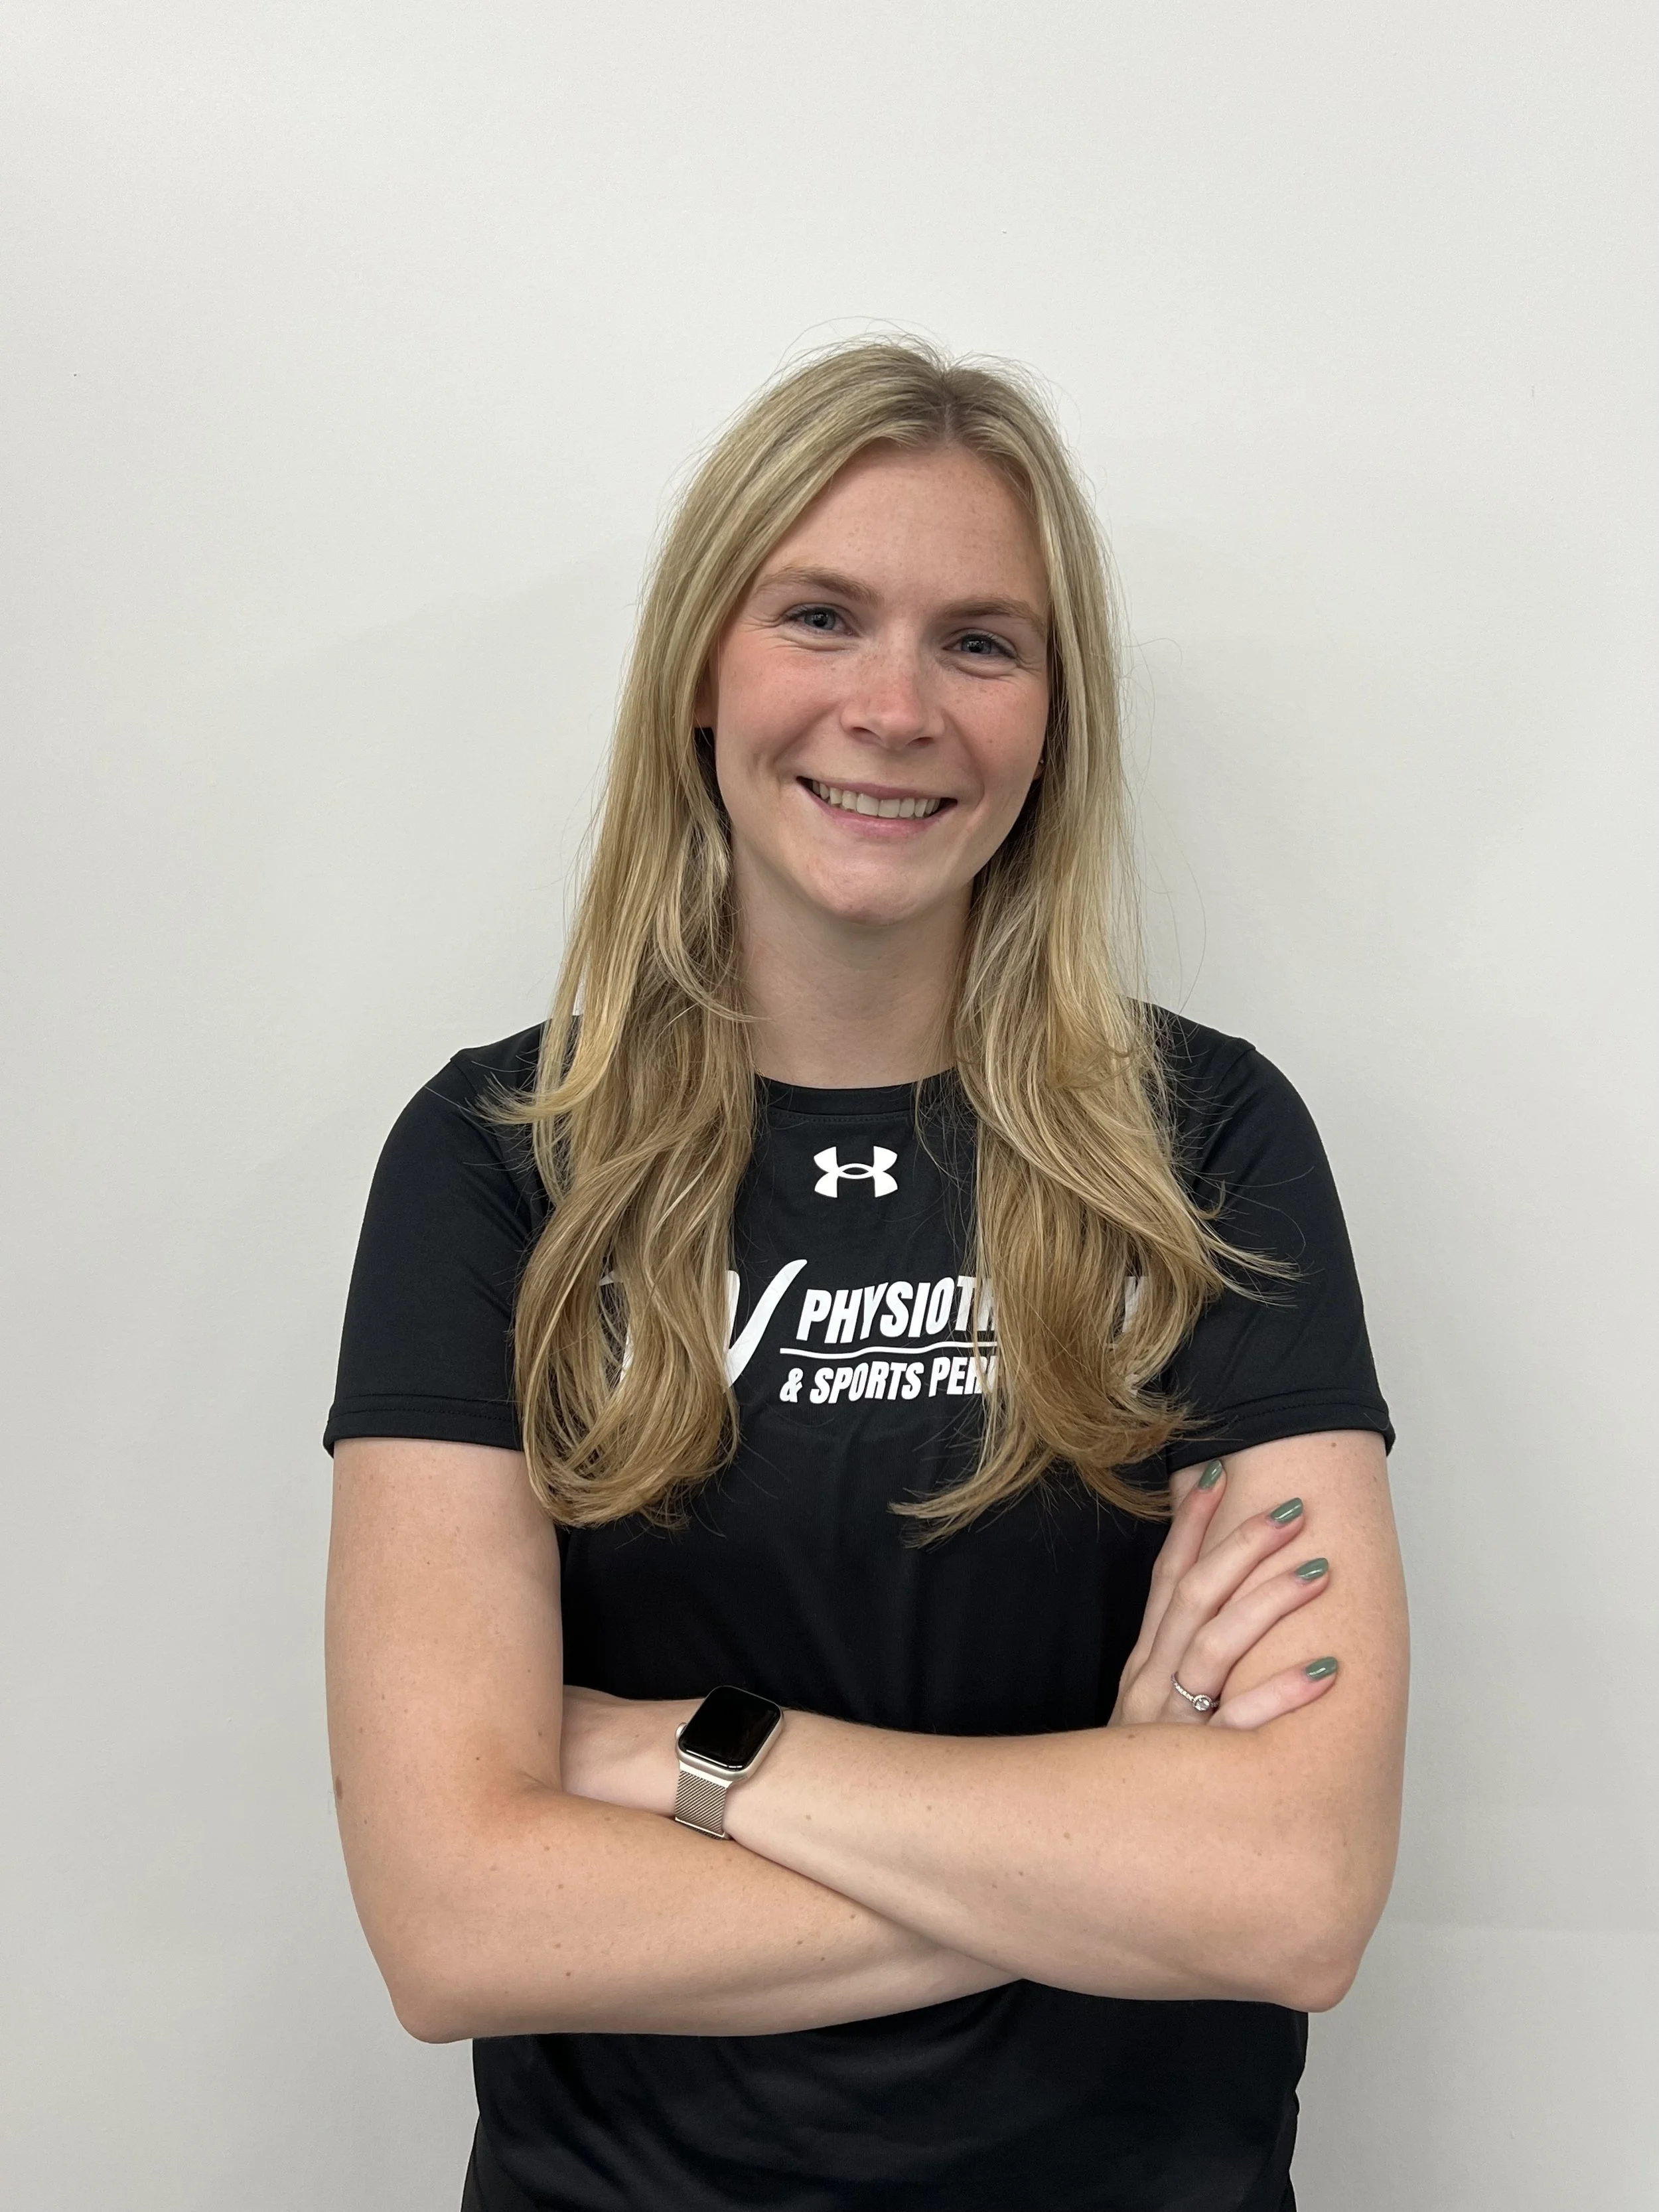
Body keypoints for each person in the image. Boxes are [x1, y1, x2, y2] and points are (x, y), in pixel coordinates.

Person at [323, 337, 1408, 2212]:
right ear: (700, 674)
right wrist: (1105, 1853)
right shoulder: (500, 1161)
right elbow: (456, 1919)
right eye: (820, 615)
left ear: (1051, 714)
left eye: (980, 641)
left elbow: (1287, 1891)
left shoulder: (1199, 1146)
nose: (893, 705)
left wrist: (690, 1752)